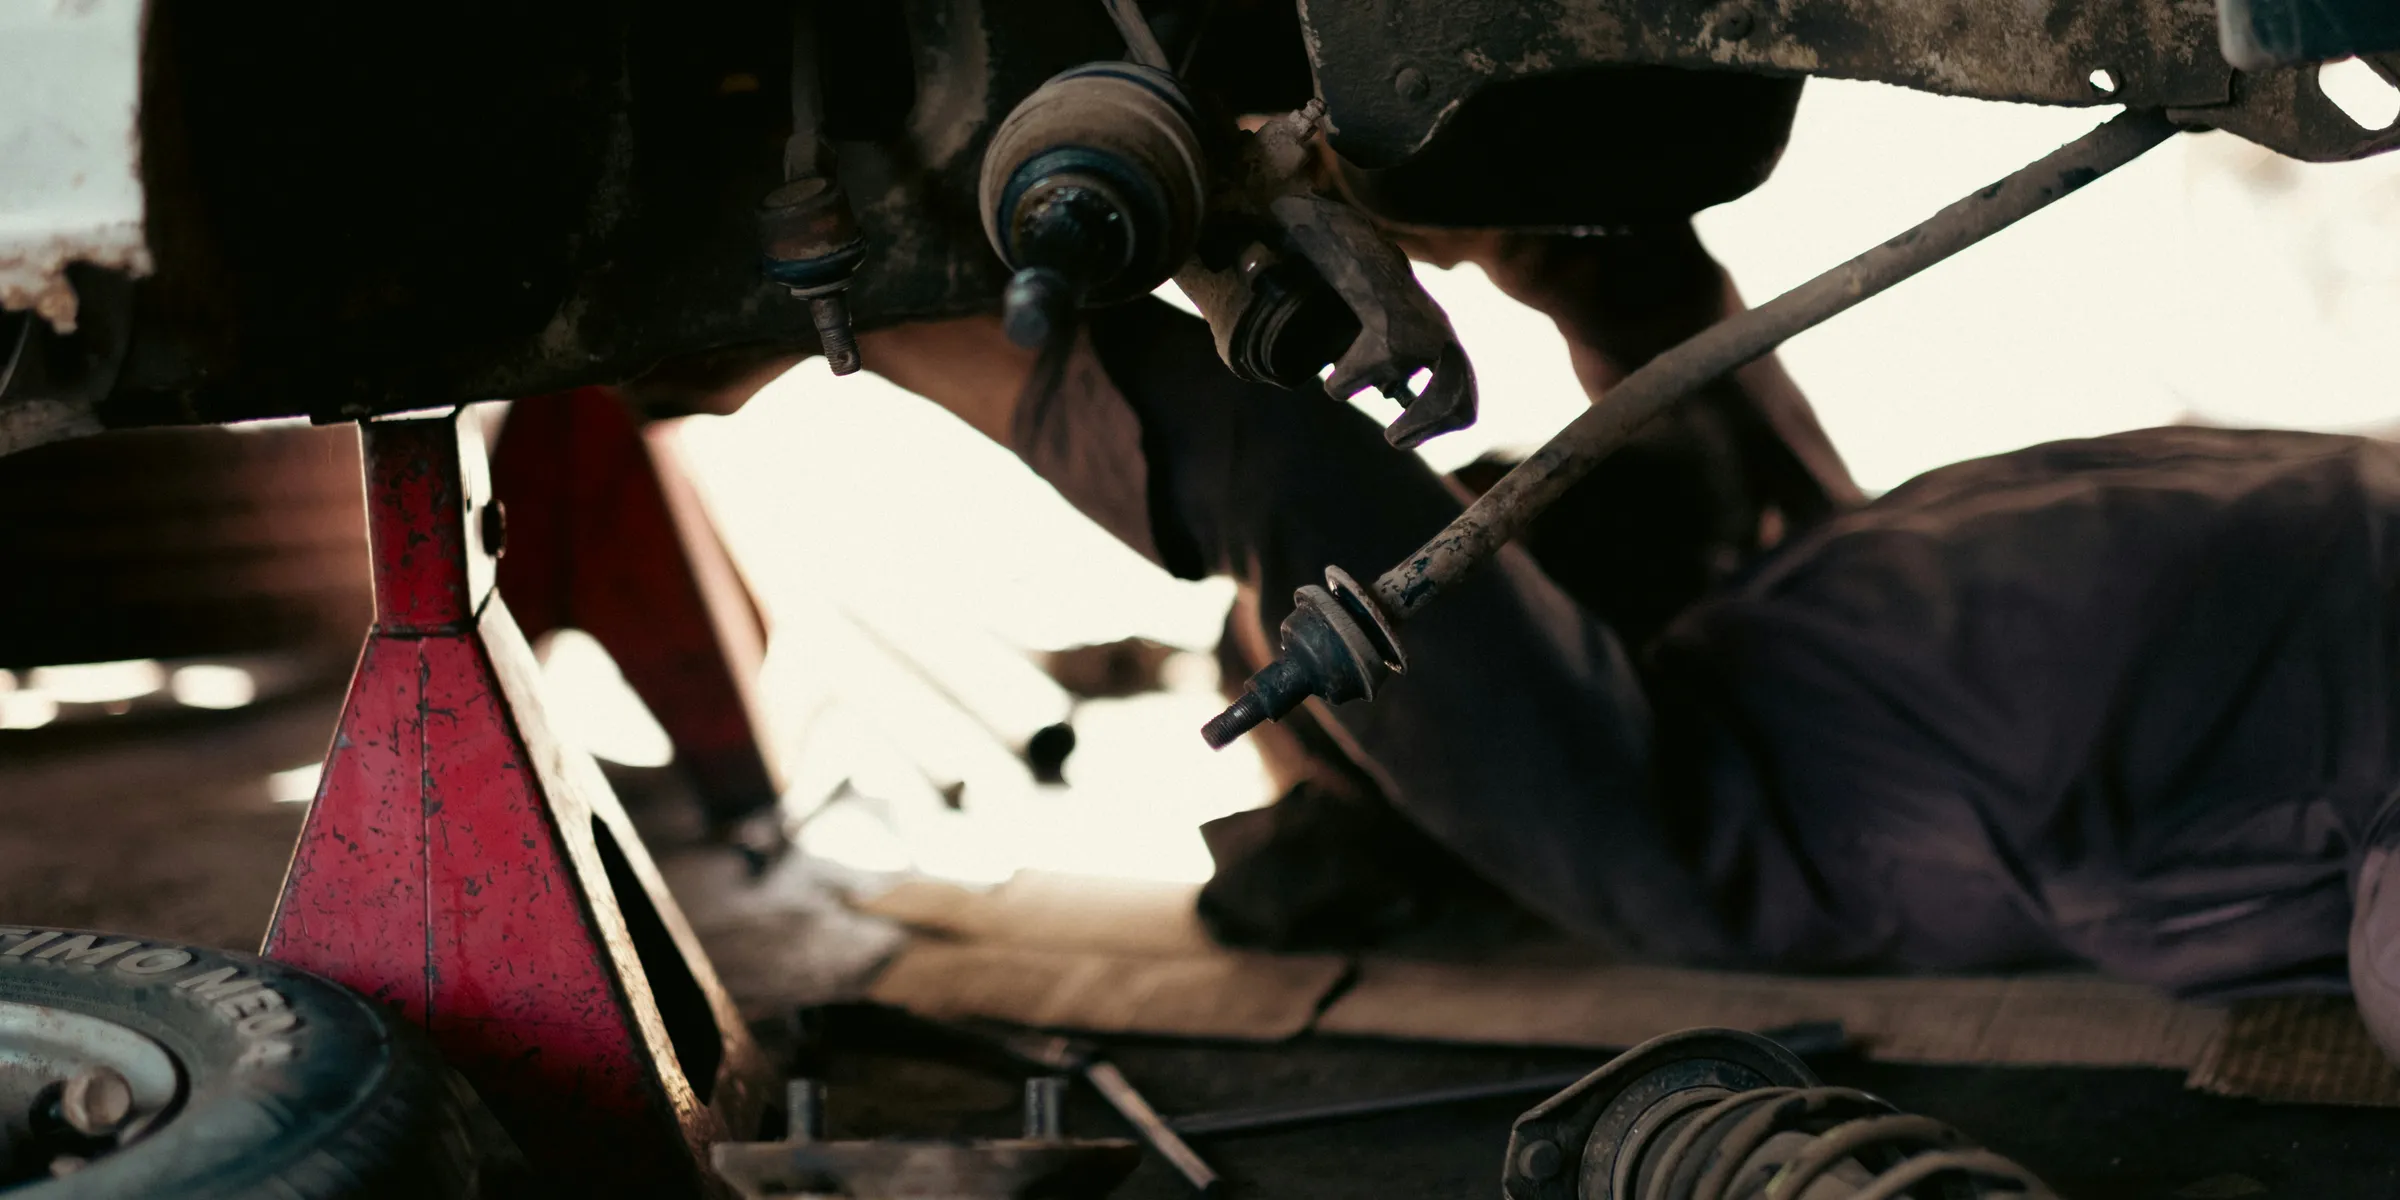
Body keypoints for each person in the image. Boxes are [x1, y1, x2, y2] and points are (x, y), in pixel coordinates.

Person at [856, 224, 2400, 1069]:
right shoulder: (1708, 794)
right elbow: (1309, 491)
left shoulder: (1790, 623)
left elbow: (1665, 363)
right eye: (1346, 707)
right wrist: (914, 327)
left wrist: (1511, 223)